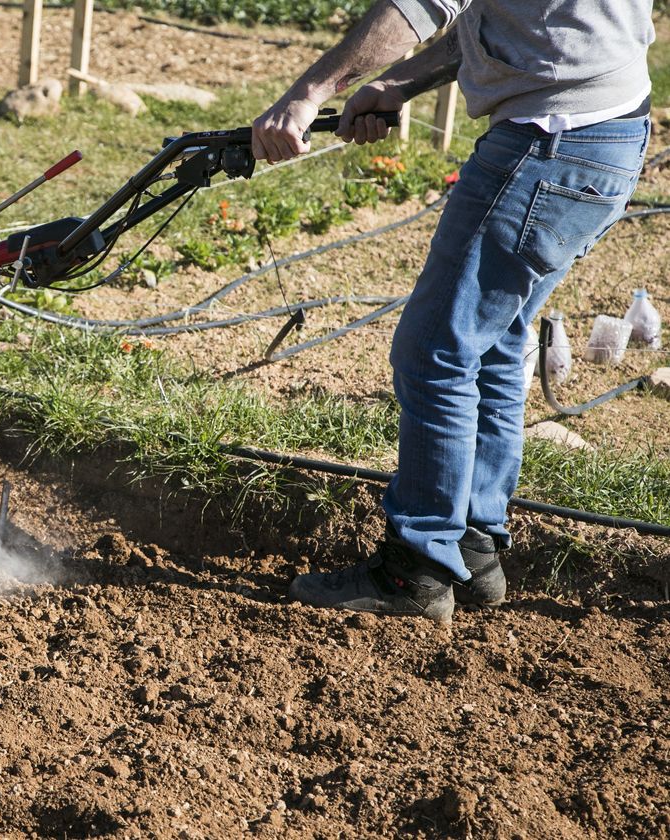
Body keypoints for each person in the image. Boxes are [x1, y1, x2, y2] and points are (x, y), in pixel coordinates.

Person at [251, 0, 653, 622]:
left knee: (434, 348)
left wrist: (308, 94)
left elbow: (416, 8)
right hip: (610, 132)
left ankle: (417, 568)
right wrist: (399, 83)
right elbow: (504, 19)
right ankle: (473, 543)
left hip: (552, 140)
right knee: (491, 343)